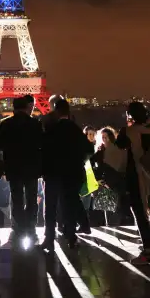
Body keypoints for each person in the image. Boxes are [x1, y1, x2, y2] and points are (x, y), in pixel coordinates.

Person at [40, 99, 93, 251]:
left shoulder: (51, 128)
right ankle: (71, 237)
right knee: (69, 205)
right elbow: (89, 150)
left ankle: (49, 238)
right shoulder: (75, 129)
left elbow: (43, 149)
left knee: (50, 207)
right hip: (72, 173)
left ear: (55, 110)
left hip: (53, 173)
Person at [0, 95, 43, 241]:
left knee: (16, 199)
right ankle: (31, 225)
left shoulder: (6, 124)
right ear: (26, 107)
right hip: (31, 167)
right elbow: (41, 143)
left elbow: (0, 144)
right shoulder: (35, 124)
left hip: (13, 167)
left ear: (14, 108)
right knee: (31, 198)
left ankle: (19, 226)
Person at [115, 102, 150, 264]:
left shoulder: (129, 131)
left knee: (139, 210)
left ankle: (146, 249)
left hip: (136, 174)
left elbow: (119, 145)